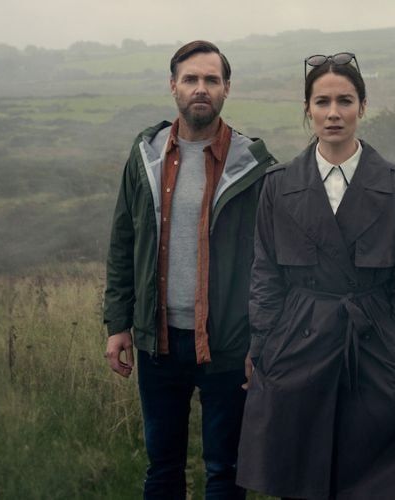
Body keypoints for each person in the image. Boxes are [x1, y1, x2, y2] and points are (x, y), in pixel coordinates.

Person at [236, 52, 395, 500]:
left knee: (374, 485)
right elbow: (265, 272)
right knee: (301, 482)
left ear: (362, 107)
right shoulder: (278, 184)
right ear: (307, 109)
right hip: (298, 345)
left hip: (374, 346)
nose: (334, 113)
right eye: (322, 101)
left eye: (345, 101)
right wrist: (264, 347)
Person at [103, 40, 277, 499]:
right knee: (162, 468)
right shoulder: (145, 156)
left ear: (226, 89)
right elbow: (123, 241)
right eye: (191, 79)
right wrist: (118, 323)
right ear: (173, 86)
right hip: (157, 340)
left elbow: (270, 265)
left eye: (211, 80)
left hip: (227, 342)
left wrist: (261, 340)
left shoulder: (253, 166)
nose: (201, 88)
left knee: (225, 470)